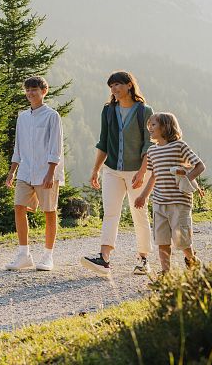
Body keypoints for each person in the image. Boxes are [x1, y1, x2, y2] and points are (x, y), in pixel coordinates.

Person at [81, 71, 154, 278]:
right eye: (111, 86)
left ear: (129, 85)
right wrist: (96, 169)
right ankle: (104, 258)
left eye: (118, 85)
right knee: (110, 213)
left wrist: (142, 171)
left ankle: (143, 259)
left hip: (137, 171)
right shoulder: (108, 111)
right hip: (112, 170)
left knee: (138, 212)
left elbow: (149, 144)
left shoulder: (144, 111)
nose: (114, 89)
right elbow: (103, 142)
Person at [5, 76, 65, 272]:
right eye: (27, 90)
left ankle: (48, 256)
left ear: (43, 91)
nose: (30, 93)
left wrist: (50, 172)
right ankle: (24, 254)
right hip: (25, 170)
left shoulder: (51, 115)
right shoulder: (22, 117)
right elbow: (18, 147)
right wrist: (12, 171)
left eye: (34, 89)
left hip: (46, 171)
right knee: (19, 207)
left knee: (49, 212)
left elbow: (55, 147)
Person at [134, 112, 205, 273]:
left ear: (166, 126)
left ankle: (191, 259)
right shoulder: (152, 151)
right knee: (162, 241)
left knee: (182, 241)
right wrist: (143, 196)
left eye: (153, 125)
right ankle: (166, 274)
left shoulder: (179, 146)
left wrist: (187, 178)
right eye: (149, 125)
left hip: (179, 202)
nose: (149, 128)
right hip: (159, 203)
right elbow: (153, 176)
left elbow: (200, 166)